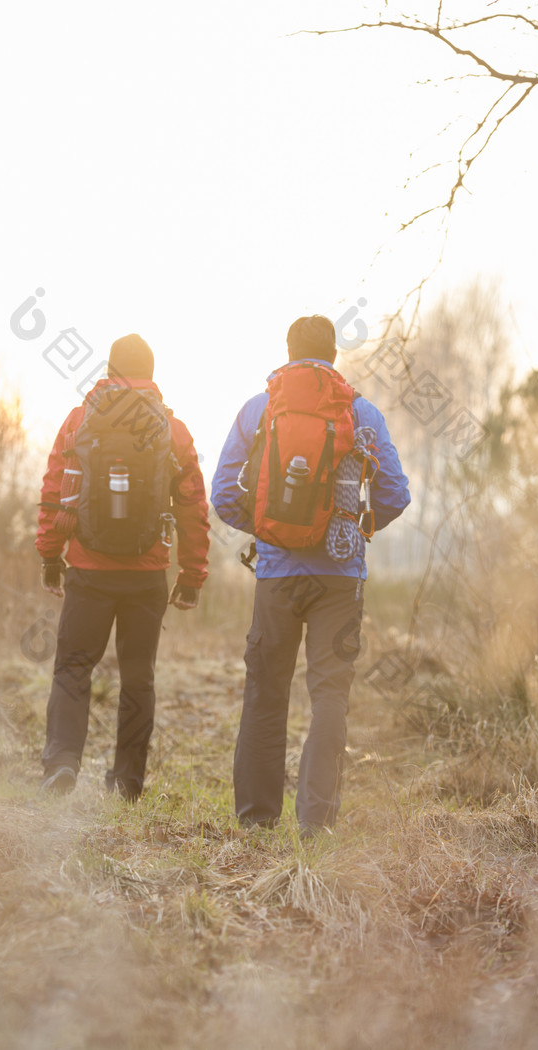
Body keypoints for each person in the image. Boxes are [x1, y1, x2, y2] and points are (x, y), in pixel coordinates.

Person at [211, 315, 410, 835]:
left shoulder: (260, 408)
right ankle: (315, 823)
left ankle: (256, 820)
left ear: (289, 350)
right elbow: (395, 493)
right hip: (340, 579)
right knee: (329, 697)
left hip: (277, 575)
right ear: (335, 355)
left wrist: (267, 528)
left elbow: (222, 494)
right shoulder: (361, 413)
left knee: (265, 692)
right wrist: (356, 527)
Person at [36, 334, 210, 797]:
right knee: (138, 676)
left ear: (109, 371)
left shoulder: (79, 421)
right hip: (147, 574)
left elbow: (56, 492)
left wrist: (51, 555)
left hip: (89, 572)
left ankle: (62, 763)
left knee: (73, 665)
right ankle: (129, 781)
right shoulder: (173, 431)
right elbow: (194, 507)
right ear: (151, 376)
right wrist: (191, 575)